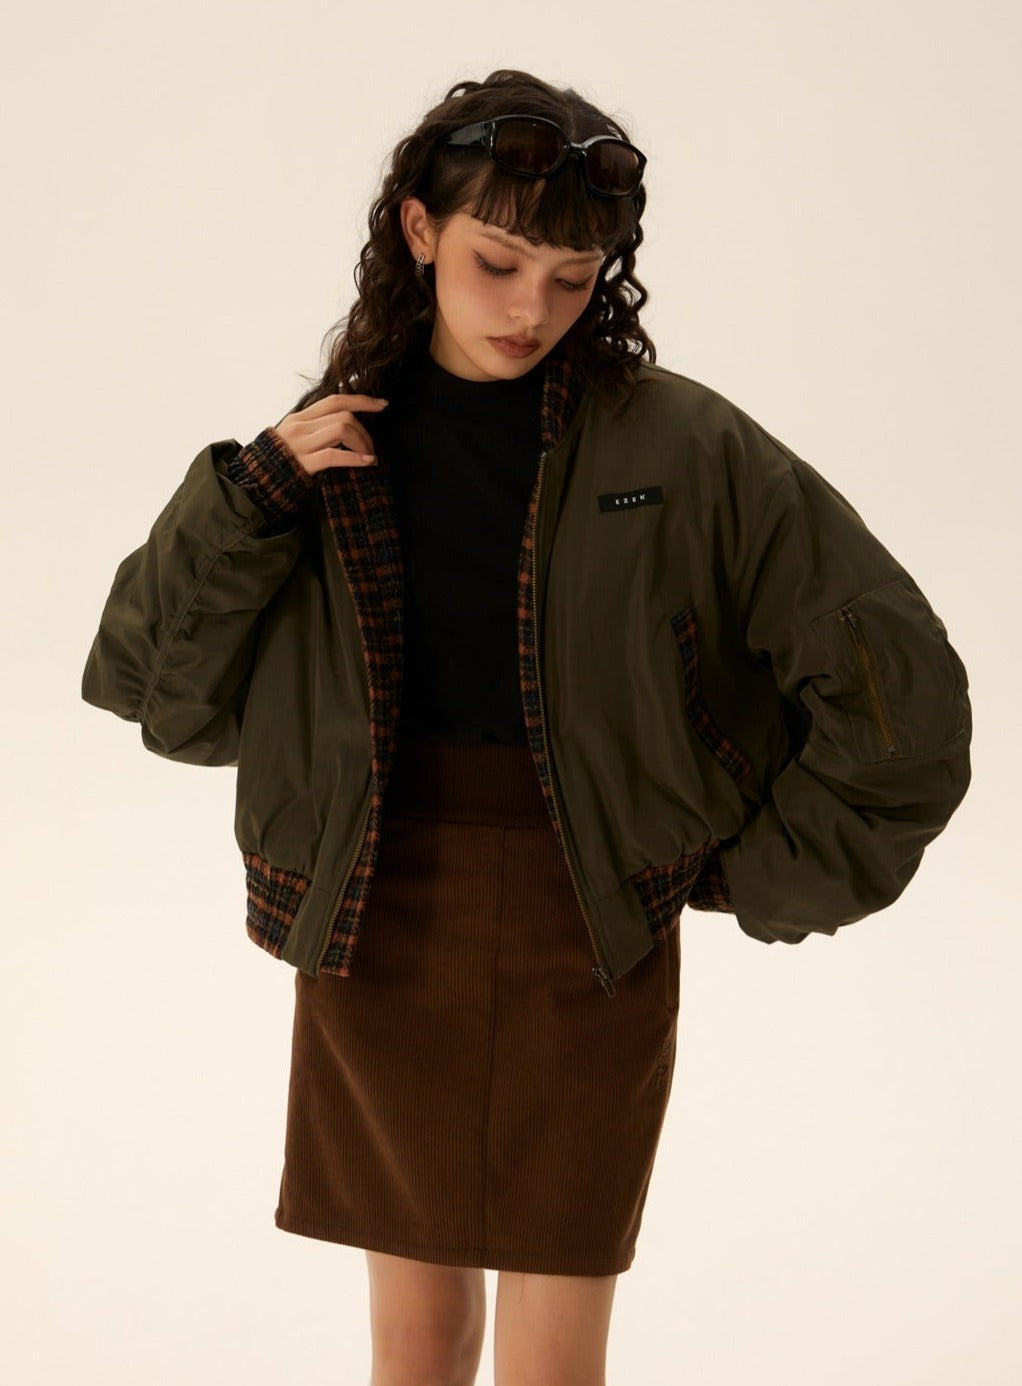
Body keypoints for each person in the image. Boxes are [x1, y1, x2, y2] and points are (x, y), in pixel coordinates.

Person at [81, 67, 972, 1386]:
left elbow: (897, 684)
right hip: (374, 914)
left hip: (588, 926)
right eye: (497, 263)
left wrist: (766, 868)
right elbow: (162, 696)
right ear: (418, 230)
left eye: (571, 277)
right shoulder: (326, 453)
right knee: (415, 1346)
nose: (529, 310)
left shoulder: (683, 445)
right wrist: (247, 496)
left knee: (555, 1358)